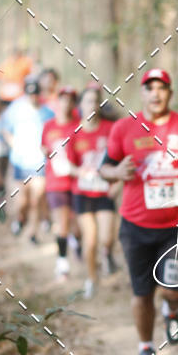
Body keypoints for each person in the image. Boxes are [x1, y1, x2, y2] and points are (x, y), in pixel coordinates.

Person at [99, 69, 178, 355]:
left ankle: (172, 311)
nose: (156, 93)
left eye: (162, 88)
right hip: (135, 225)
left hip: (177, 225)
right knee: (142, 292)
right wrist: (117, 172)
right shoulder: (124, 128)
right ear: (143, 93)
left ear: (170, 93)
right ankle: (146, 347)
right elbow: (104, 168)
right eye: (150, 88)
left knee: (174, 290)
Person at [68, 86, 117, 298]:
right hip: (83, 192)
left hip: (105, 191)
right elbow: (68, 165)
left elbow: (121, 157)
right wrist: (80, 171)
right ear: (80, 105)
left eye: (95, 101)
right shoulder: (74, 133)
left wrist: (117, 184)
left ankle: (107, 255)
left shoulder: (110, 129)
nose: (91, 105)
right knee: (90, 240)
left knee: (106, 238)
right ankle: (91, 278)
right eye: (87, 101)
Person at [2, 75, 54, 242]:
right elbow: (5, 129)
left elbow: (54, 132)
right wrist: (13, 143)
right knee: (22, 201)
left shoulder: (47, 112)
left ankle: (33, 232)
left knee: (36, 198)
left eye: (35, 93)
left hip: (39, 162)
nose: (33, 97)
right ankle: (20, 219)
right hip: (20, 162)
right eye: (30, 93)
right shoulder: (15, 109)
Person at [41, 86, 78, 279]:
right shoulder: (49, 126)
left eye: (70, 99)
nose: (66, 103)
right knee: (62, 223)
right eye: (63, 99)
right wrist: (46, 152)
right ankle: (62, 263)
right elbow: (43, 147)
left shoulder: (79, 125)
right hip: (55, 183)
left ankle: (77, 243)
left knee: (77, 224)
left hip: (77, 182)